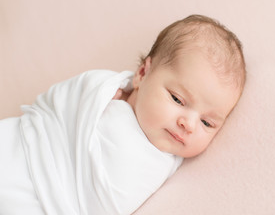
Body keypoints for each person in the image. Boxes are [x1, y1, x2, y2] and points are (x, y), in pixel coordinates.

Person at [0, 14, 246, 215]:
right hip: (22, 150)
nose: (189, 124)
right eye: (177, 99)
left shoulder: (163, 163)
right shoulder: (101, 89)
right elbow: (53, 108)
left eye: (207, 122)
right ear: (142, 73)